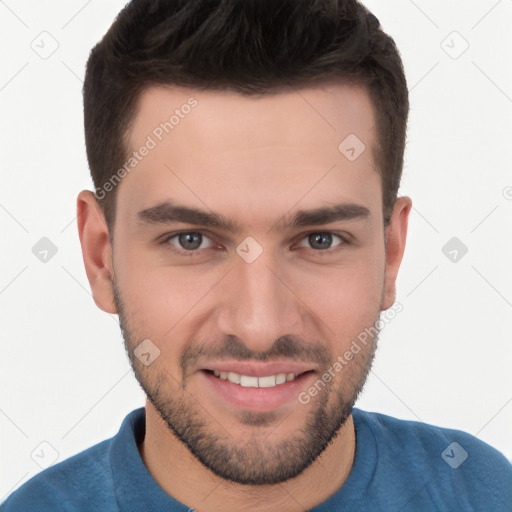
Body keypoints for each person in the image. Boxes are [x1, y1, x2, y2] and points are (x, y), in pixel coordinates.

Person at [2, 0, 511, 510]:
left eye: (320, 240)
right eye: (191, 240)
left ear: (391, 254)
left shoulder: (484, 491)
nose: (258, 325)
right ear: (101, 257)